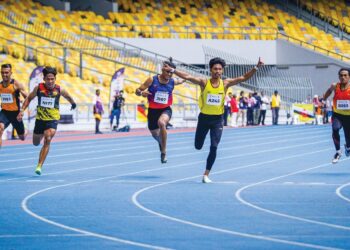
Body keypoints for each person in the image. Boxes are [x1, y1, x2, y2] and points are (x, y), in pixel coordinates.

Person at [164, 57, 263, 183]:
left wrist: (256, 67)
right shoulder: (204, 82)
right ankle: (201, 150)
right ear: (211, 70)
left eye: (220, 69)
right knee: (198, 146)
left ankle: (206, 174)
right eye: (215, 69)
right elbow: (188, 76)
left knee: (214, 147)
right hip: (204, 119)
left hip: (217, 120)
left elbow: (243, 78)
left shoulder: (226, 83)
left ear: (222, 71)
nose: (217, 71)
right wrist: (173, 70)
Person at [17, 67, 76, 175]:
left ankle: (39, 166)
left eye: (52, 79)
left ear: (55, 79)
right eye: (48, 79)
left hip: (52, 119)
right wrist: (22, 111)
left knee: (48, 138)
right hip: (40, 119)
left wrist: (73, 103)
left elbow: (67, 96)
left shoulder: (59, 89)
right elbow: (29, 98)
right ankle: (38, 133)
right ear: (44, 78)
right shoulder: (38, 88)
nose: (50, 81)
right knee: (35, 143)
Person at [135, 58, 186, 163]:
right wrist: (141, 93)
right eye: (168, 71)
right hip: (152, 111)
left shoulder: (172, 81)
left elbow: (182, 79)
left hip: (165, 110)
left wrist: (186, 77)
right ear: (162, 69)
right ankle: (161, 143)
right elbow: (137, 90)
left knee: (162, 123)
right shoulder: (152, 80)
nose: (170, 75)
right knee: (155, 134)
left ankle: (163, 152)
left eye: (171, 73)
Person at [323, 68, 350, 164]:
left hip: (348, 117)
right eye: (341, 75)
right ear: (338, 76)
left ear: (349, 77)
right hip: (337, 115)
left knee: (348, 137)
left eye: (345, 75)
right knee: (335, 128)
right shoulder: (335, 86)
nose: (343, 77)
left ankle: (348, 147)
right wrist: (324, 98)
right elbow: (329, 91)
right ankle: (338, 152)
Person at [0, 64, 28, 148]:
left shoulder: (16, 84)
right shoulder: (0, 85)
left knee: (22, 137)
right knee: (0, 128)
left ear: (11, 73)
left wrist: (22, 110)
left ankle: (25, 131)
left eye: (6, 72)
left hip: (16, 114)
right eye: (2, 72)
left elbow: (27, 97)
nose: (4, 74)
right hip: (4, 112)